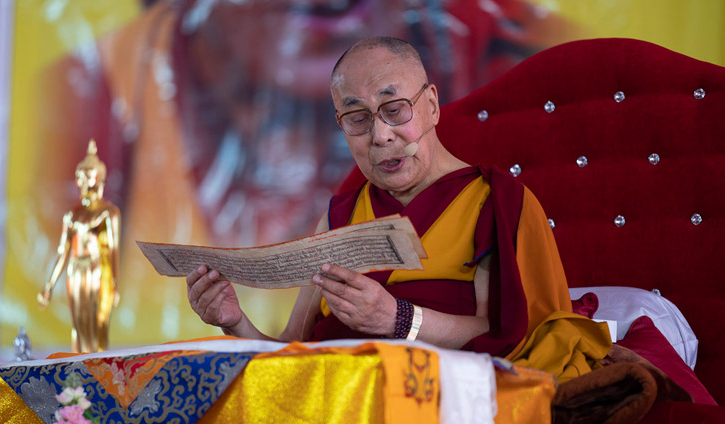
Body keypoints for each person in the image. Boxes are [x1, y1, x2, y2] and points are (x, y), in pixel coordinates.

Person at [186, 37, 611, 376]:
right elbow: (291, 352)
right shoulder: (338, 217)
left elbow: (513, 339)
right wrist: (233, 322)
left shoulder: (495, 202)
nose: (381, 136)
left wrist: (399, 319)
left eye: (394, 109)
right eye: (357, 118)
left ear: (430, 106)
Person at [38, 140, 121, 353]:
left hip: (96, 269)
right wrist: (49, 285)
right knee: (78, 323)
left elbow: (112, 250)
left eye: (87, 175)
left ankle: (98, 371)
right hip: (76, 269)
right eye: (79, 176)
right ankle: (79, 370)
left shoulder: (108, 212)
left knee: (96, 323)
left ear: (98, 178)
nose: (81, 181)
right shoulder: (72, 215)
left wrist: (114, 282)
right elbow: (62, 251)